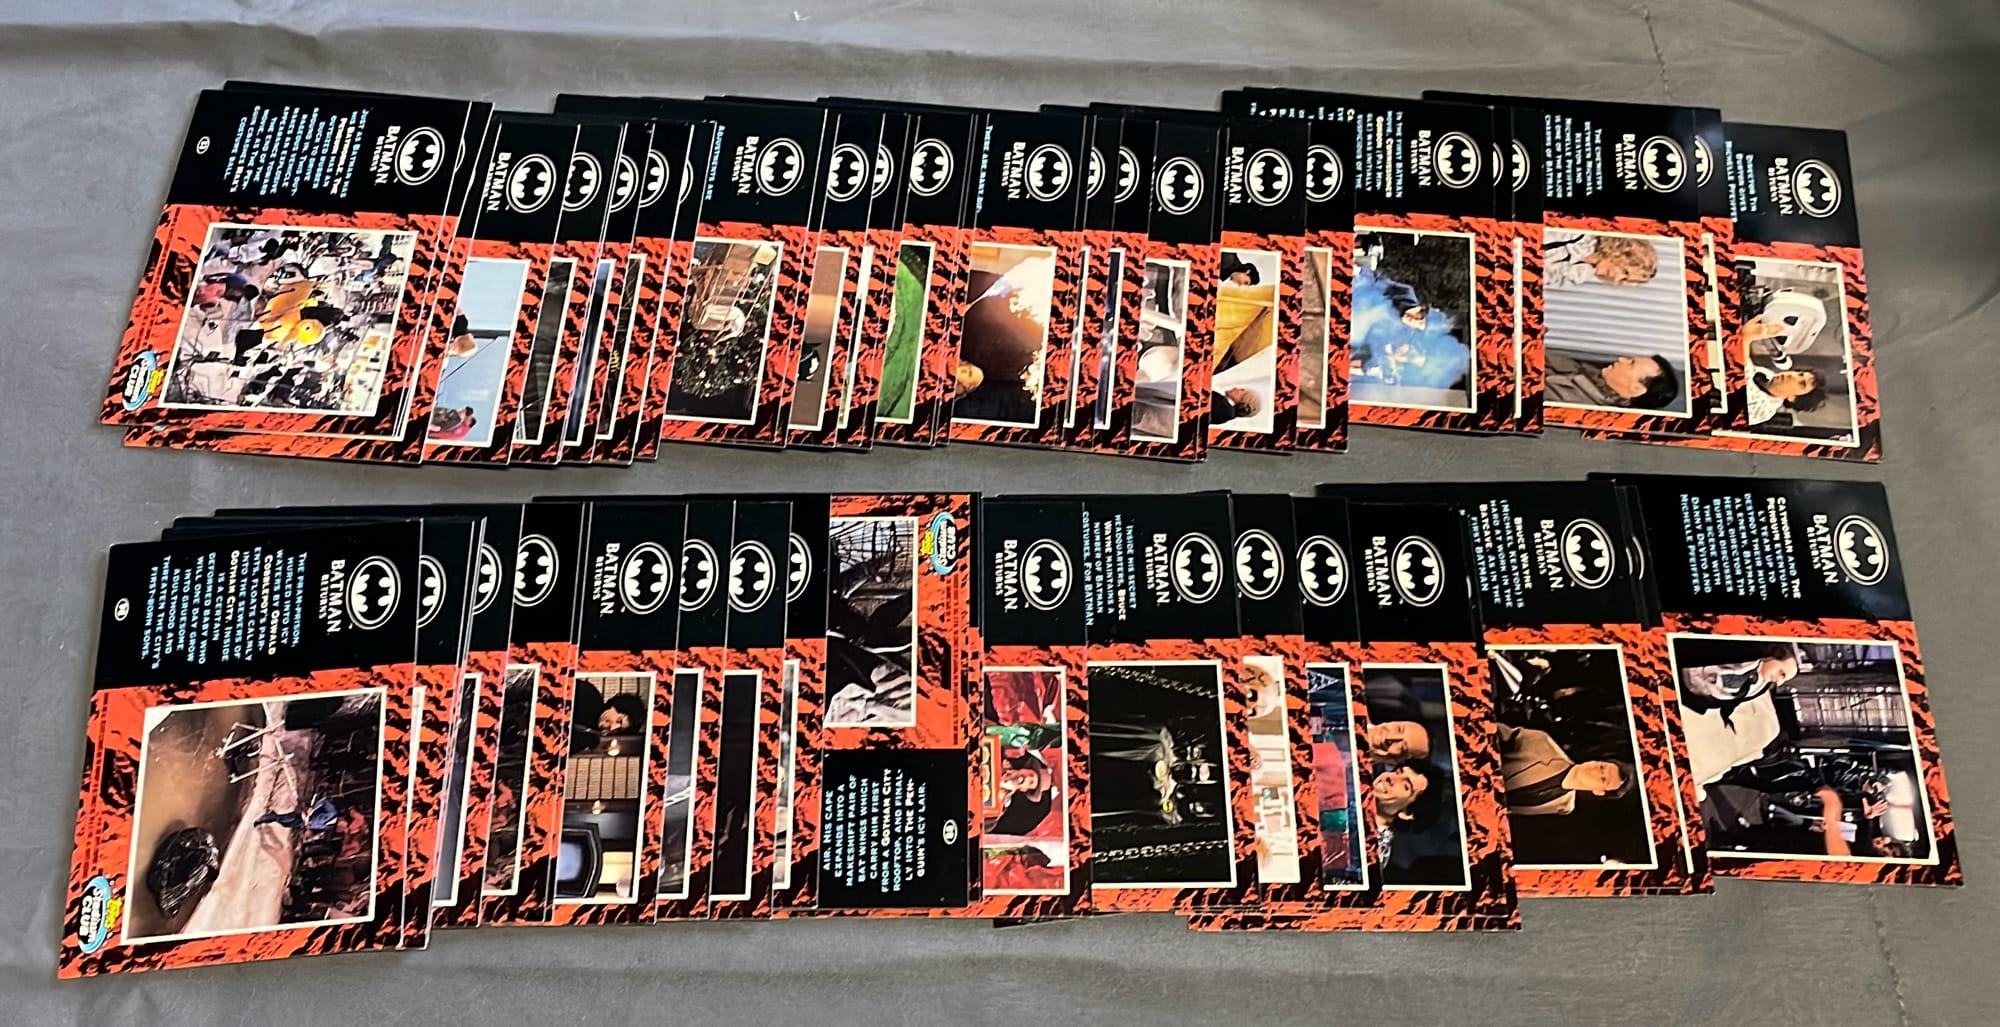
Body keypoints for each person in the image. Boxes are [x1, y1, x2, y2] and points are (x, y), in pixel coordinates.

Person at [1495, 723, 1634, 815]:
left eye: (1603, 779)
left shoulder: (1564, 807)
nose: (1595, 771)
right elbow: (1494, 730)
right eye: (1601, 767)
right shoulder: (1541, 742)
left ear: (1598, 792)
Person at [1677, 640, 1805, 722]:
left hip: (1690, 697)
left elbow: (1729, 701)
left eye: (1784, 679)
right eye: (1782, 673)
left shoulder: (1761, 688)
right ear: (1775, 656)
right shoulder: (1750, 649)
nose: (1779, 682)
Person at [1544, 351, 1680, 410]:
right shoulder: (1588, 372)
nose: (1621, 359)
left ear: (1636, 389)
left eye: (1631, 363)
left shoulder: (1573, 406)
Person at [1544, 231, 1660, 289]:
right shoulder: (1581, 234)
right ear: (1622, 252)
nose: (1616, 279)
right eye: (1625, 272)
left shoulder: (1577, 276)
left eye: (1624, 280)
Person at [988, 749, 1057, 837]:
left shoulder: (1000, 808)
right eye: (1031, 774)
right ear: (1024, 769)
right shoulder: (998, 757)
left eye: (1031, 782)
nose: (1027, 778)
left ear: (1024, 789)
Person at [1744, 367, 1829, 427]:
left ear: (1793, 398)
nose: (1792, 376)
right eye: (1800, 374)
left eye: (1801, 384)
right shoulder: (1766, 373)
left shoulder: (1763, 411)